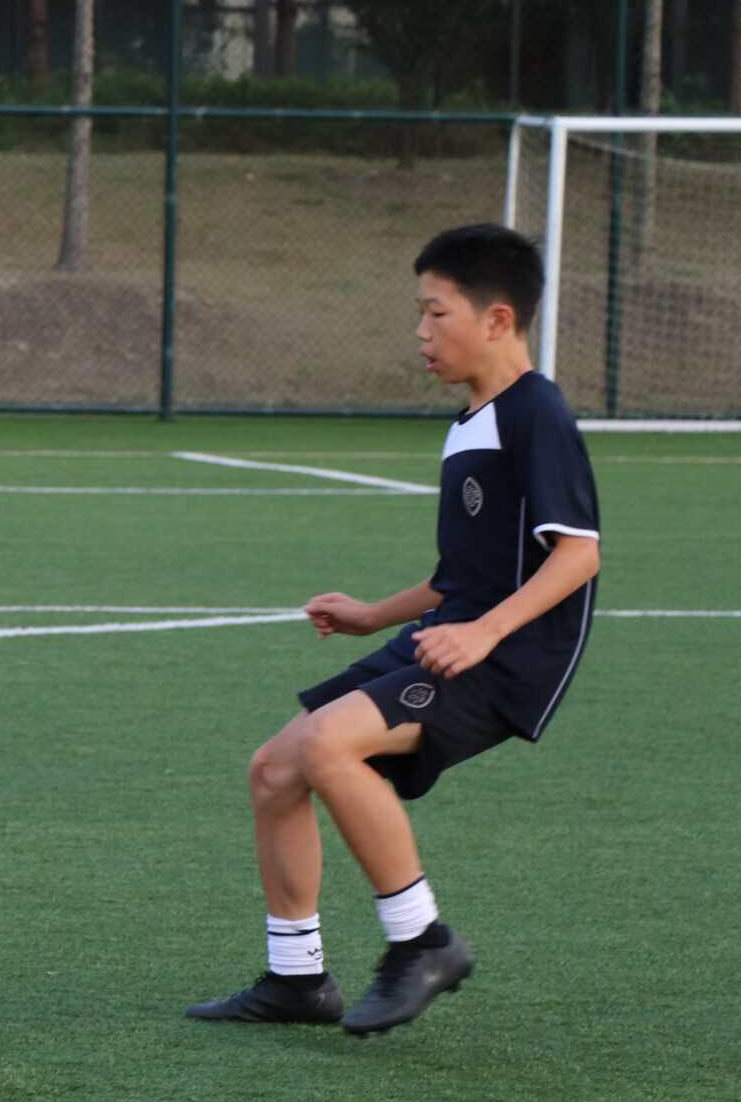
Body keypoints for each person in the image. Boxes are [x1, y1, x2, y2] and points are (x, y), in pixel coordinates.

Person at [188, 224, 601, 1037]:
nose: (420, 332)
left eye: (435, 313)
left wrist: (483, 634)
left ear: (496, 319)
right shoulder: (470, 422)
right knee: (274, 767)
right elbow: (462, 575)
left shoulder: (535, 413)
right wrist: (373, 614)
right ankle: (296, 977)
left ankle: (424, 940)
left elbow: (578, 555)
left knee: (327, 745)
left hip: (505, 655)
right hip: (451, 631)